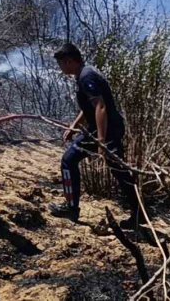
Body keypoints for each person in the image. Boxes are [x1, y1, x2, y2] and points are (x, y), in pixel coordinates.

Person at [49, 43, 142, 228]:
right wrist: (75, 125)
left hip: (107, 130)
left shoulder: (86, 77)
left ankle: (72, 207)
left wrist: (101, 141)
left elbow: (100, 106)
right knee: (114, 169)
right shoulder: (84, 74)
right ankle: (138, 214)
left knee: (113, 169)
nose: (61, 68)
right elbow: (90, 106)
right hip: (102, 129)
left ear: (69, 61)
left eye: (61, 64)